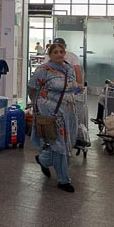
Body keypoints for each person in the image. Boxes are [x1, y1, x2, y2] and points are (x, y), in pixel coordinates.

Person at [29, 42, 78, 193]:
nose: (59, 54)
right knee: (60, 144)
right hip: (51, 111)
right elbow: (32, 88)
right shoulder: (43, 70)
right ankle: (63, 180)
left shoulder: (69, 69)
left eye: (61, 51)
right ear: (49, 55)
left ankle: (44, 159)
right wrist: (39, 107)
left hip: (68, 112)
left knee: (65, 143)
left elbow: (74, 87)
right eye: (55, 52)